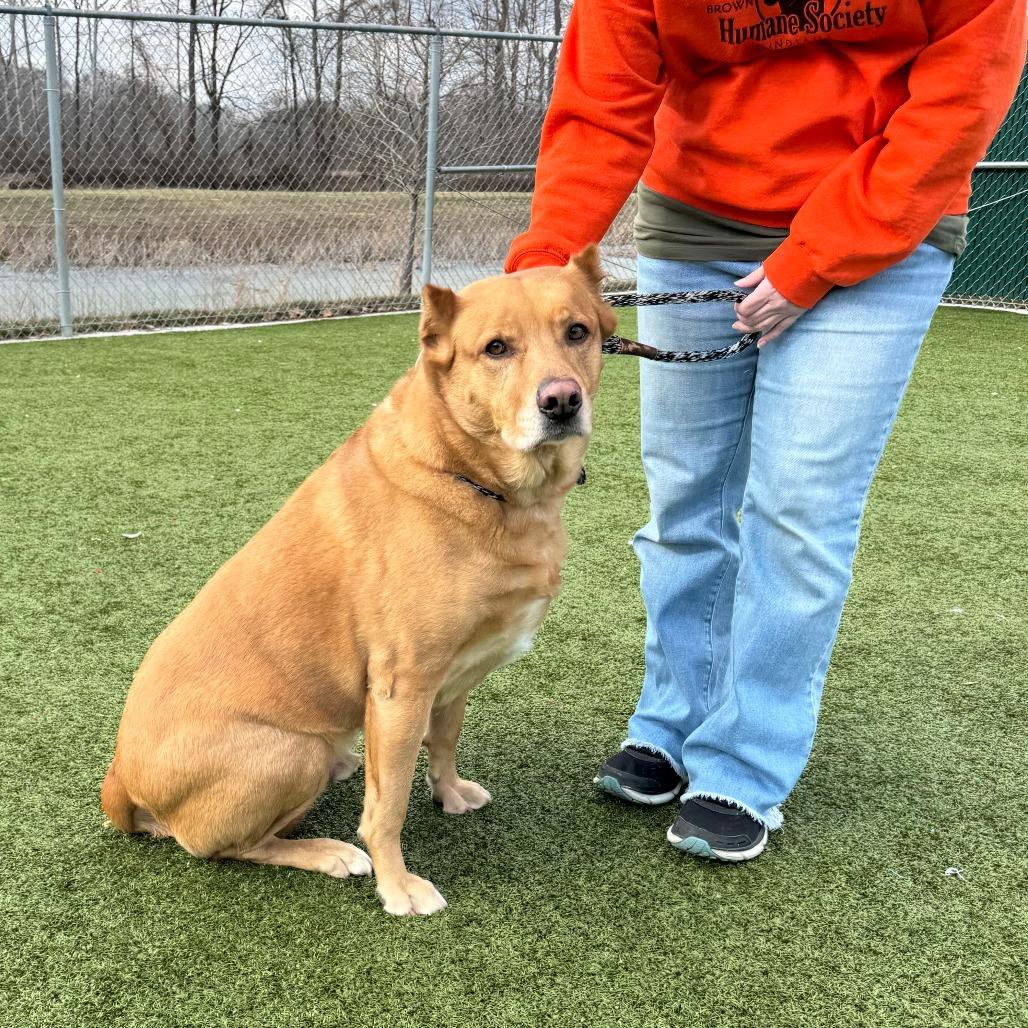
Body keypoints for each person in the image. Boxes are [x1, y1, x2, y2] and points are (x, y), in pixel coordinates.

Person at [504, 0, 1026, 861]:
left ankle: (745, 761)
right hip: (698, 217)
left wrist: (814, 259)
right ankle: (674, 719)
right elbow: (602, 105)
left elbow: (959, 99)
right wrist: (542, 265)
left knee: (799, 506)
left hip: (884, 217)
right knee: (686, 493)